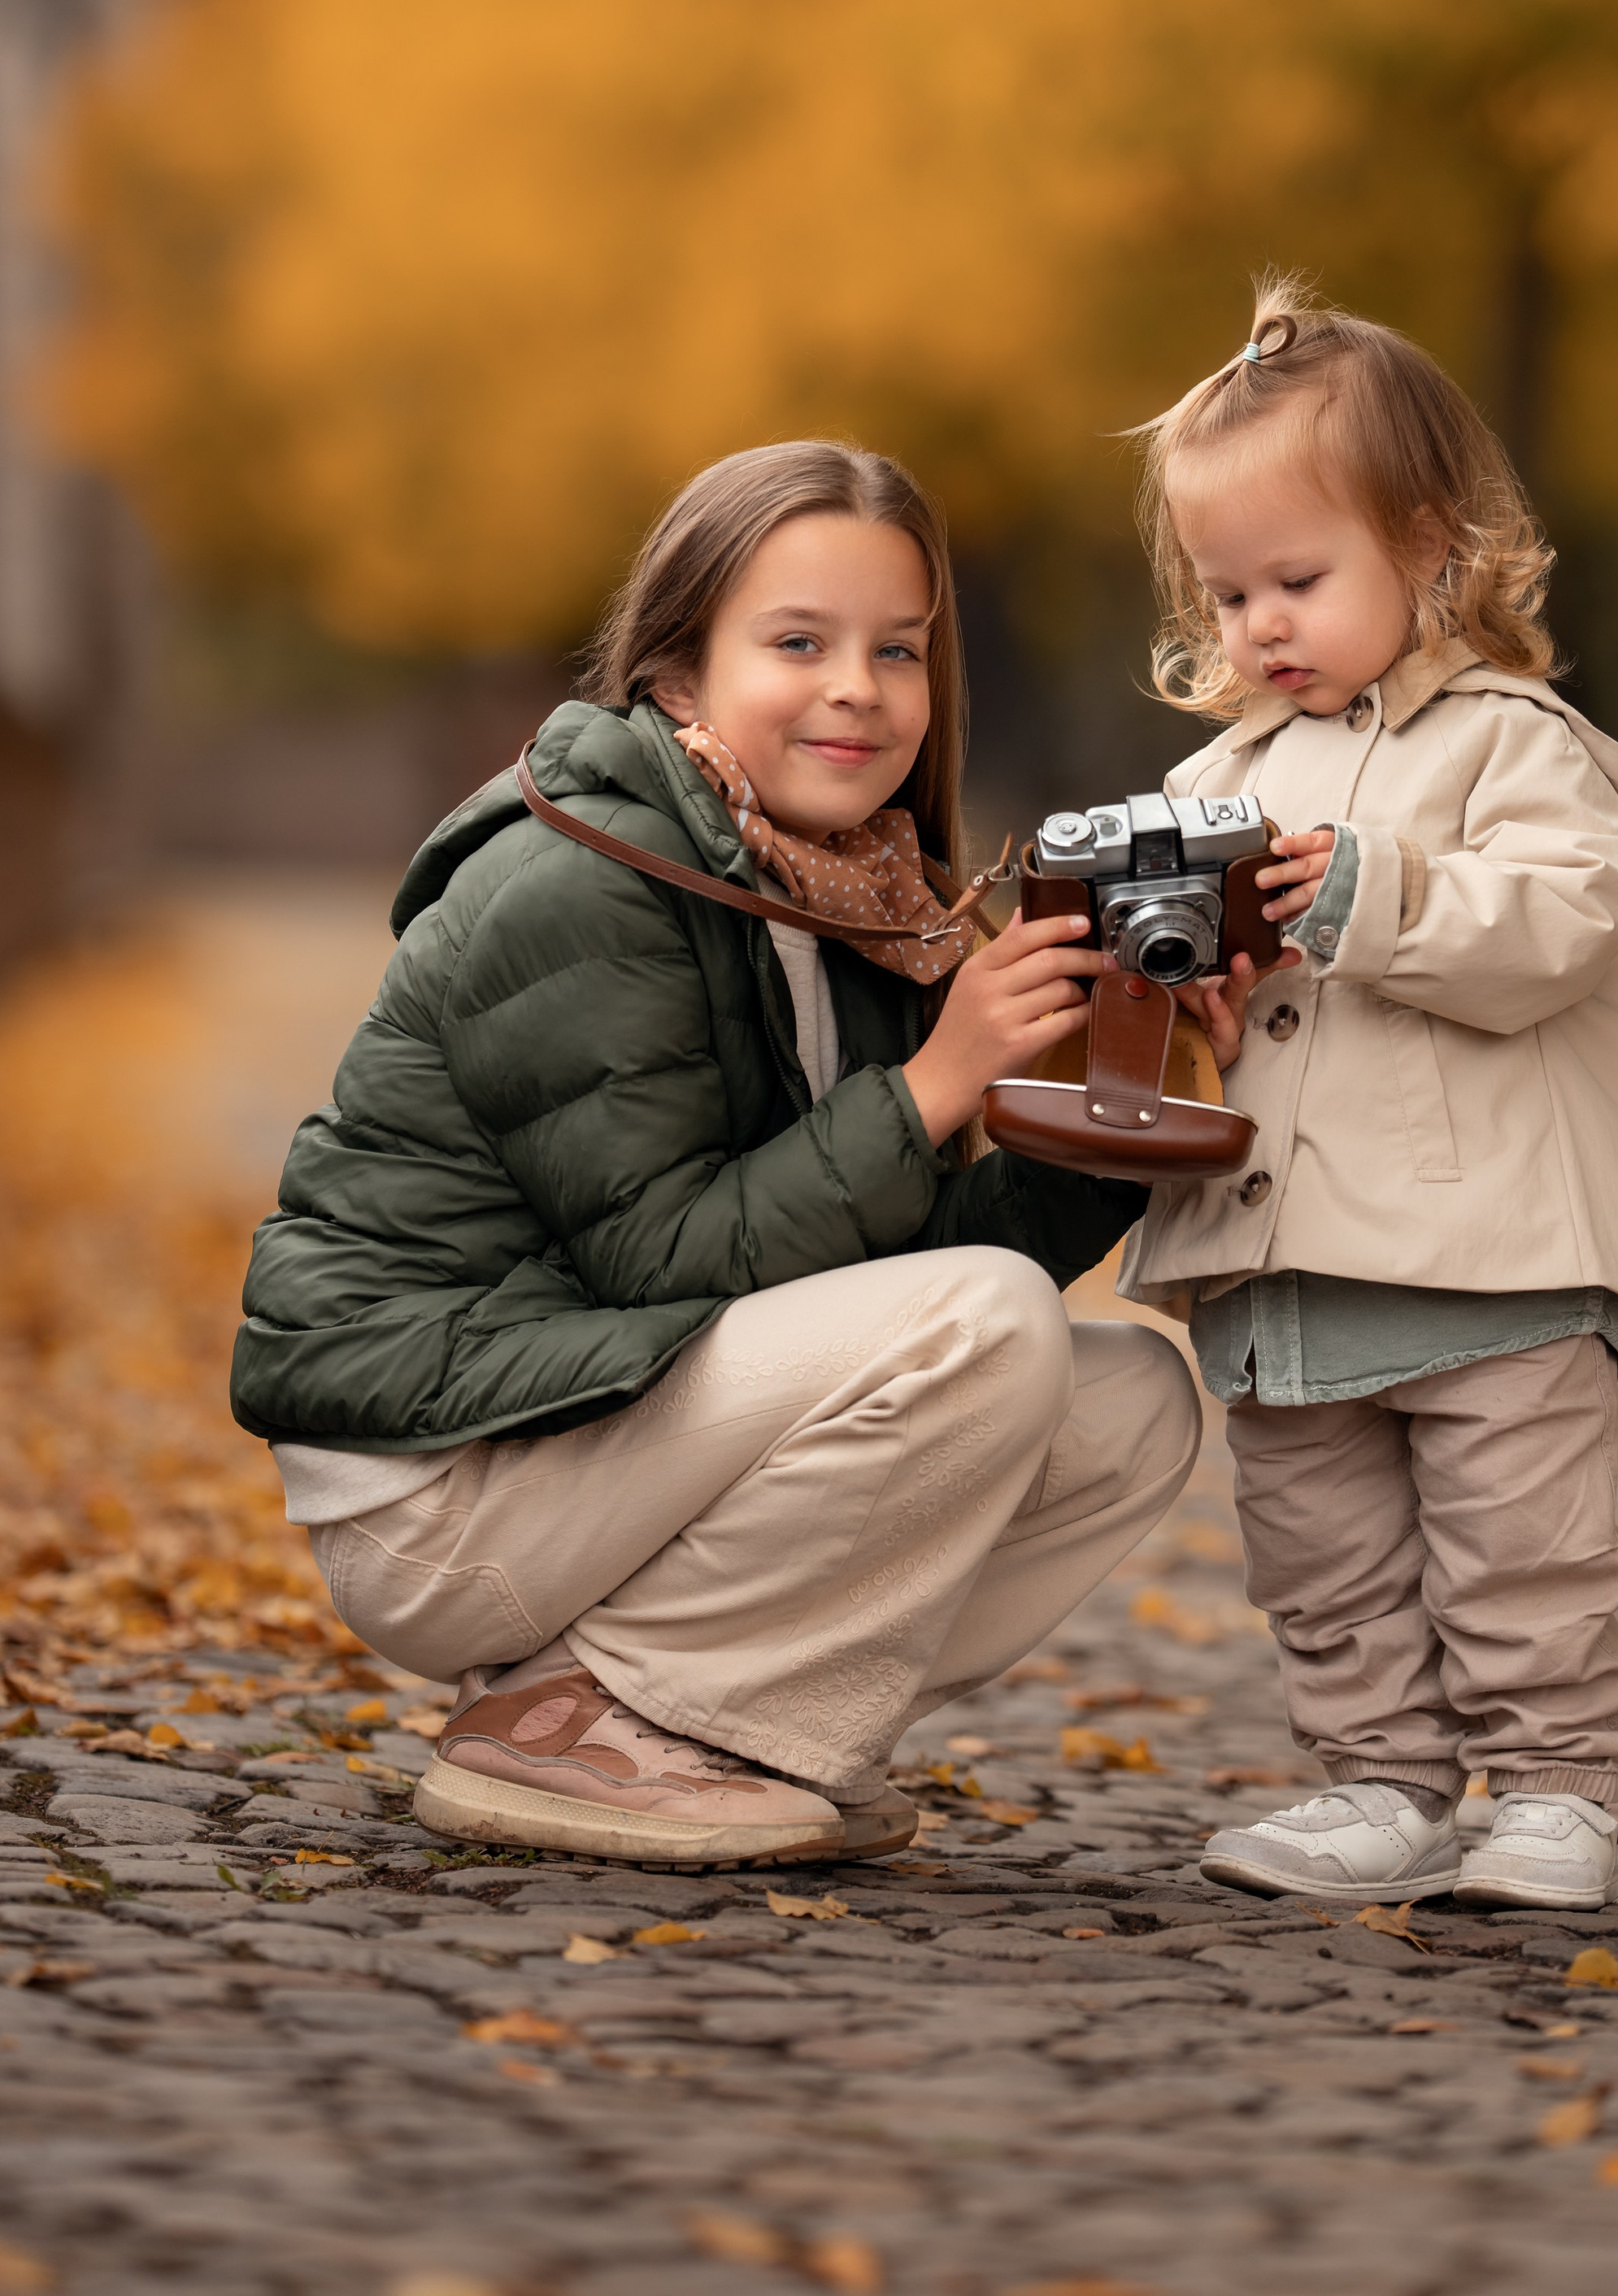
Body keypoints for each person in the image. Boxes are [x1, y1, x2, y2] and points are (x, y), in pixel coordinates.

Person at [235, 441, 1199, 1872]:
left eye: (898, 650)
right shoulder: (581, 881)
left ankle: (717, 1726)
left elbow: (885, 1273)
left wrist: (1124, 1090)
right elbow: (664, 1258)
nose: (858, 688)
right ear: (679, 678)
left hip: (604, 1428)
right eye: (798, 642)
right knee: (994, 1324)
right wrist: (938, 1083)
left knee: (1131, 1407)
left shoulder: (861, 895)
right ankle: (585, 1727)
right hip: (444, 1484)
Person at [1119, 284, 1618, 1913]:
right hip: (1284, 1247)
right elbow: (1198, 1009)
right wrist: (1179, 998)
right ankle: (1377, 1779)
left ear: (1427, 546)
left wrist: (1375, 893)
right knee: (1321, 1552)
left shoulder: (1512, 743)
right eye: (1228, 593)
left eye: (1298, 581)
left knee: (1521, 1544)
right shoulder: (1209, 785)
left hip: (1491, 1248)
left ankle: (1554, 1789)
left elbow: (1561, 925)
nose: (1260, 627)